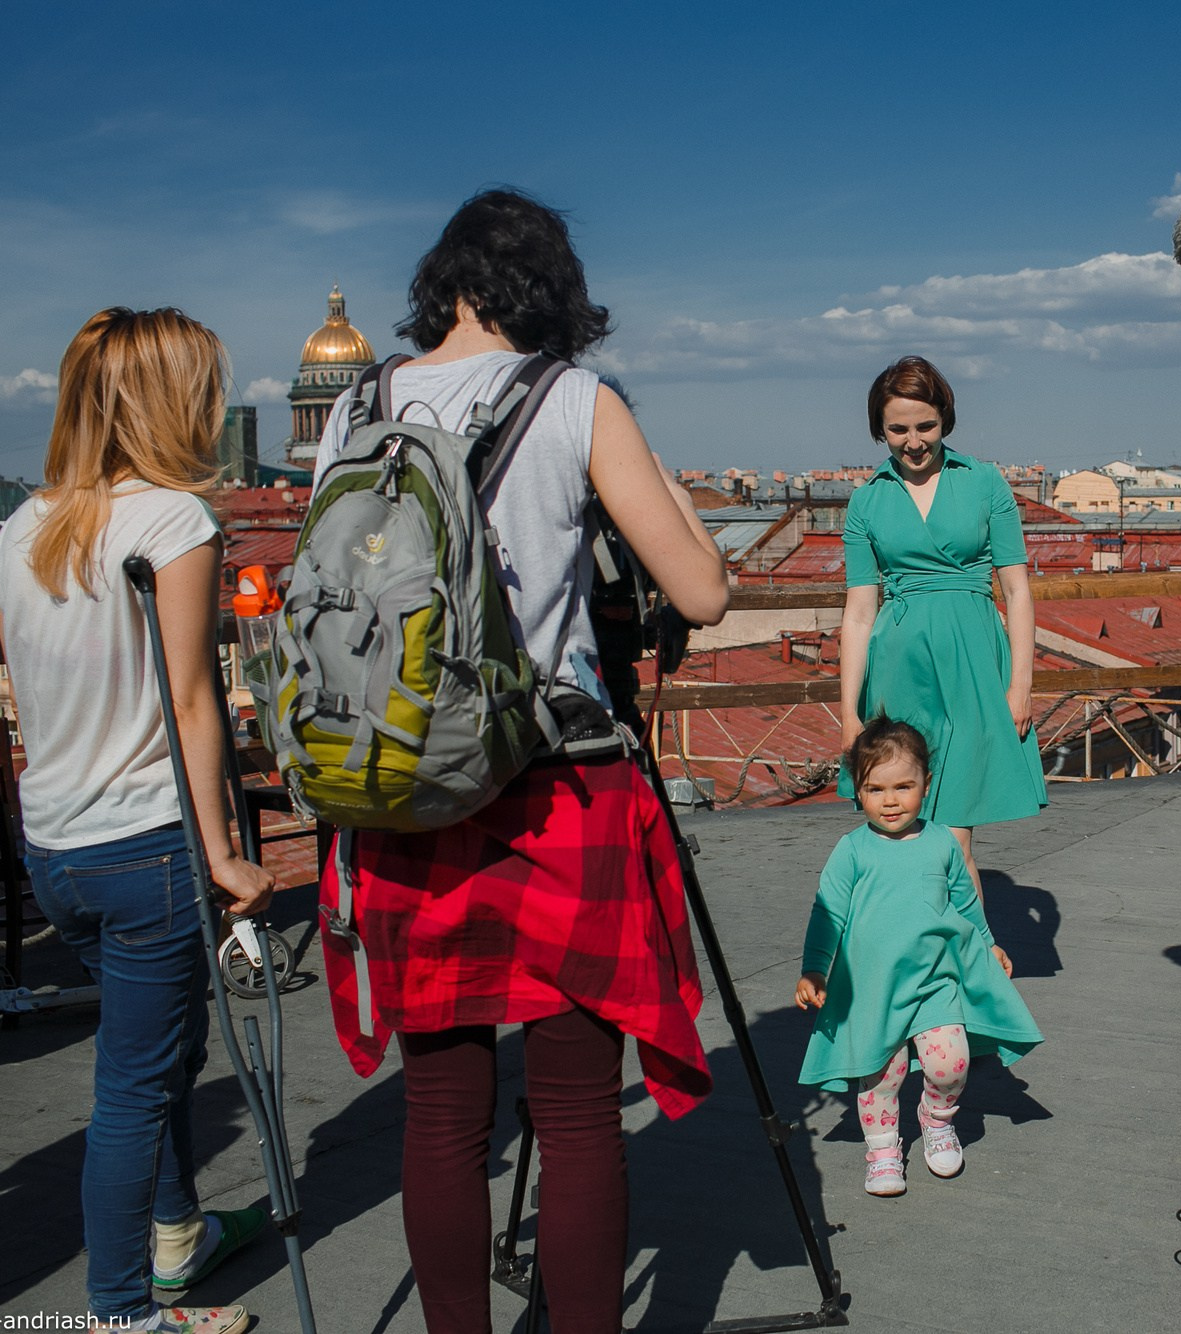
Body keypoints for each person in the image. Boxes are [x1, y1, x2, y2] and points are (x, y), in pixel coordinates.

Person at [310, 189, 729, 1334]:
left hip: (404, 786)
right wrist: (661, 486)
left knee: (442, 1113)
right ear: (551, 291)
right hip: (556, 784)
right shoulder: (574, 399)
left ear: (441, 283)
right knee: (580, 1112)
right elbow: (699, 592)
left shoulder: (357, 407)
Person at [0, 308, 278, 1334]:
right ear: (171, 402)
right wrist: (225, 854)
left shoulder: (22, 527)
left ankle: (178, 1232)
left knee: (161, 1054)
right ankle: (123, 1313)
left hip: (56, 844)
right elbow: (193, 701)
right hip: (148, 845)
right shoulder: (174, 522)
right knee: (136, 1089)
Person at [795, 717, 1041, 1196]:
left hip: (935, 981)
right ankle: (883, 1150)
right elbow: (827, 912)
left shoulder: (941, 842)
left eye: (903, 787)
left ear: (926, 785)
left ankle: (937, 1118)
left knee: (951, 1064)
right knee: (881, 1075)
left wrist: (988, 942)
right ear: (858, 791)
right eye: (875, 789)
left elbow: (964, 902)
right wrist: (814, 969)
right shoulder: (852, 850)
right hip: (872, 988)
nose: (890, 801)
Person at [837, 356, 1047, 916]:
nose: (913, 442)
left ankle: (971, 955)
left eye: (925, 426)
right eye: (898, 429)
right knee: (905, 832)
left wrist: (1020, 685)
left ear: (945, 418)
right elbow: (859, 612)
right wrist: (849, 714)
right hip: (899, 669)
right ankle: (925, 949)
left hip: (974, 668)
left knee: (953, 839)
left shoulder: (984, 482)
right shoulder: (866, 499)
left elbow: (1017, 592)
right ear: (879, 429)